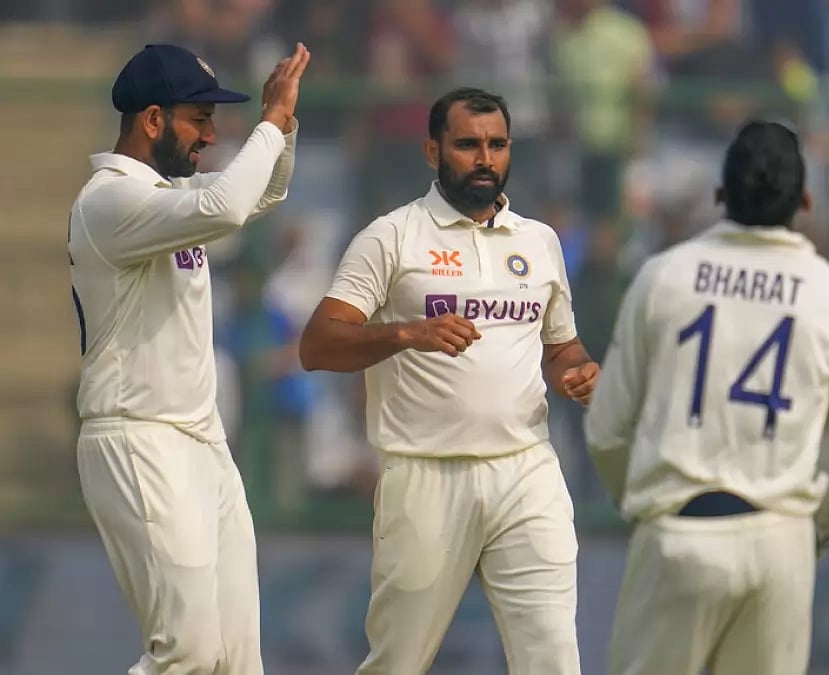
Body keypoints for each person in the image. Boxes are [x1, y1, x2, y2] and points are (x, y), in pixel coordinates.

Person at [298, 87, 596, 675]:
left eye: (496, 144)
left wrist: (576, 372)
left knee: (553, 658)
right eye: (467, 145)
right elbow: (317, 345)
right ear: (433, 151)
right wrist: (407, 334)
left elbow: (561, 346)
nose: (484, 158)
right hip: (426, 474)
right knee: (399, 662)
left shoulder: (539, 242)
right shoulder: (391, 237)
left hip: (526, 469)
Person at [584, 120, 829, 675]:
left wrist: (643, 504)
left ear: (721, 194)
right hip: (780, 540)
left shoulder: (663, 276)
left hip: (676, 532)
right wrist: (819, 529)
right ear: (805, 200)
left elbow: (606, 431)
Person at [69, 42, 309, 673]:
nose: (211, 135)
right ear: (152, 121)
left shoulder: (165, 199)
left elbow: (262, 196)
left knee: (236, 659)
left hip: (201, 442)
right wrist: (268, 123)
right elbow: (230, 205)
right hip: (138, 437)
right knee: (190, 652)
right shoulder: (110, 202)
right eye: (197, 119)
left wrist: (282, 122)